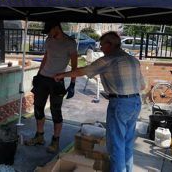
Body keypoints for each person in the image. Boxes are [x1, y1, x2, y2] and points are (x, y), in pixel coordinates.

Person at [55, 31, 145, 172]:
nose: (100, 48)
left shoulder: (108, 59)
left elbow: (83, 70)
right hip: (136, 102)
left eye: (102, 45)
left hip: (120, 104)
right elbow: (143, 86)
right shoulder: (132, 60)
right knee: (127, 142)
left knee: (116, 144)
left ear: (109, 45)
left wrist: (62, 75)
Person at [25, 21, 78, 153]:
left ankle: (55, 141)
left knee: (56, 111)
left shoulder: (70, 43)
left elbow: (75, 65)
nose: (48, 34)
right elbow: (46, 57)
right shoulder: (49, 40)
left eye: (50, 31)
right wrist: (38, 75)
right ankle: (39, 136)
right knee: (38, 108)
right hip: (43, 78)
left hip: (57, 81)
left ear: (56, 27)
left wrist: (72, 83)